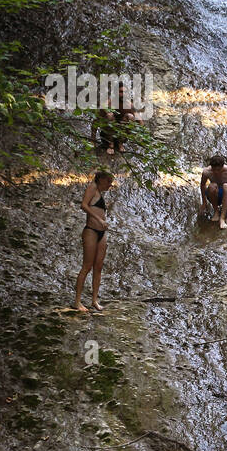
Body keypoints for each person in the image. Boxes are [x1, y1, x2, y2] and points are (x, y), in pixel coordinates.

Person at [74, 170, 113, 312]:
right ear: (101, 179)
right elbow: (83, 205)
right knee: (87, 266)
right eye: (108, 181)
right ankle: (77, 302)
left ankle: (94, 300)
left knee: (98, 267)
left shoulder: (99, 193)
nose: (110, 185)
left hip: (101, 233)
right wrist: (99, 219)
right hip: (90, 231)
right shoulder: (92, 187)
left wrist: (103, 222)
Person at [94, 82, 137, 156]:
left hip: (121, 134)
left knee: (131, 117)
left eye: (125, 92)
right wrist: (92, 140)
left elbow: (140, 122)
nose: (123, 94)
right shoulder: (108, 104)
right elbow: (96, 120)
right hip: (107, 136)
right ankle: (110, 144)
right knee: (110, 115)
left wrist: (138, 137)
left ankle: (120, 143)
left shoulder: (130, 105)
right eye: (121, 92)